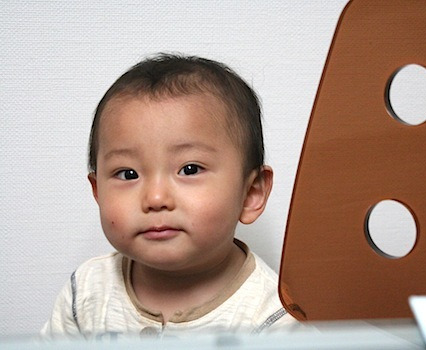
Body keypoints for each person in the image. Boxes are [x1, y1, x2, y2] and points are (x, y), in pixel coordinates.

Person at [41, 53, 298, 340]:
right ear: (98, 191)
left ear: (251, 193)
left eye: (189, 169)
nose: (155, 198)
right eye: (128, 174)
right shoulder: (86, 293)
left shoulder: (274, 317)